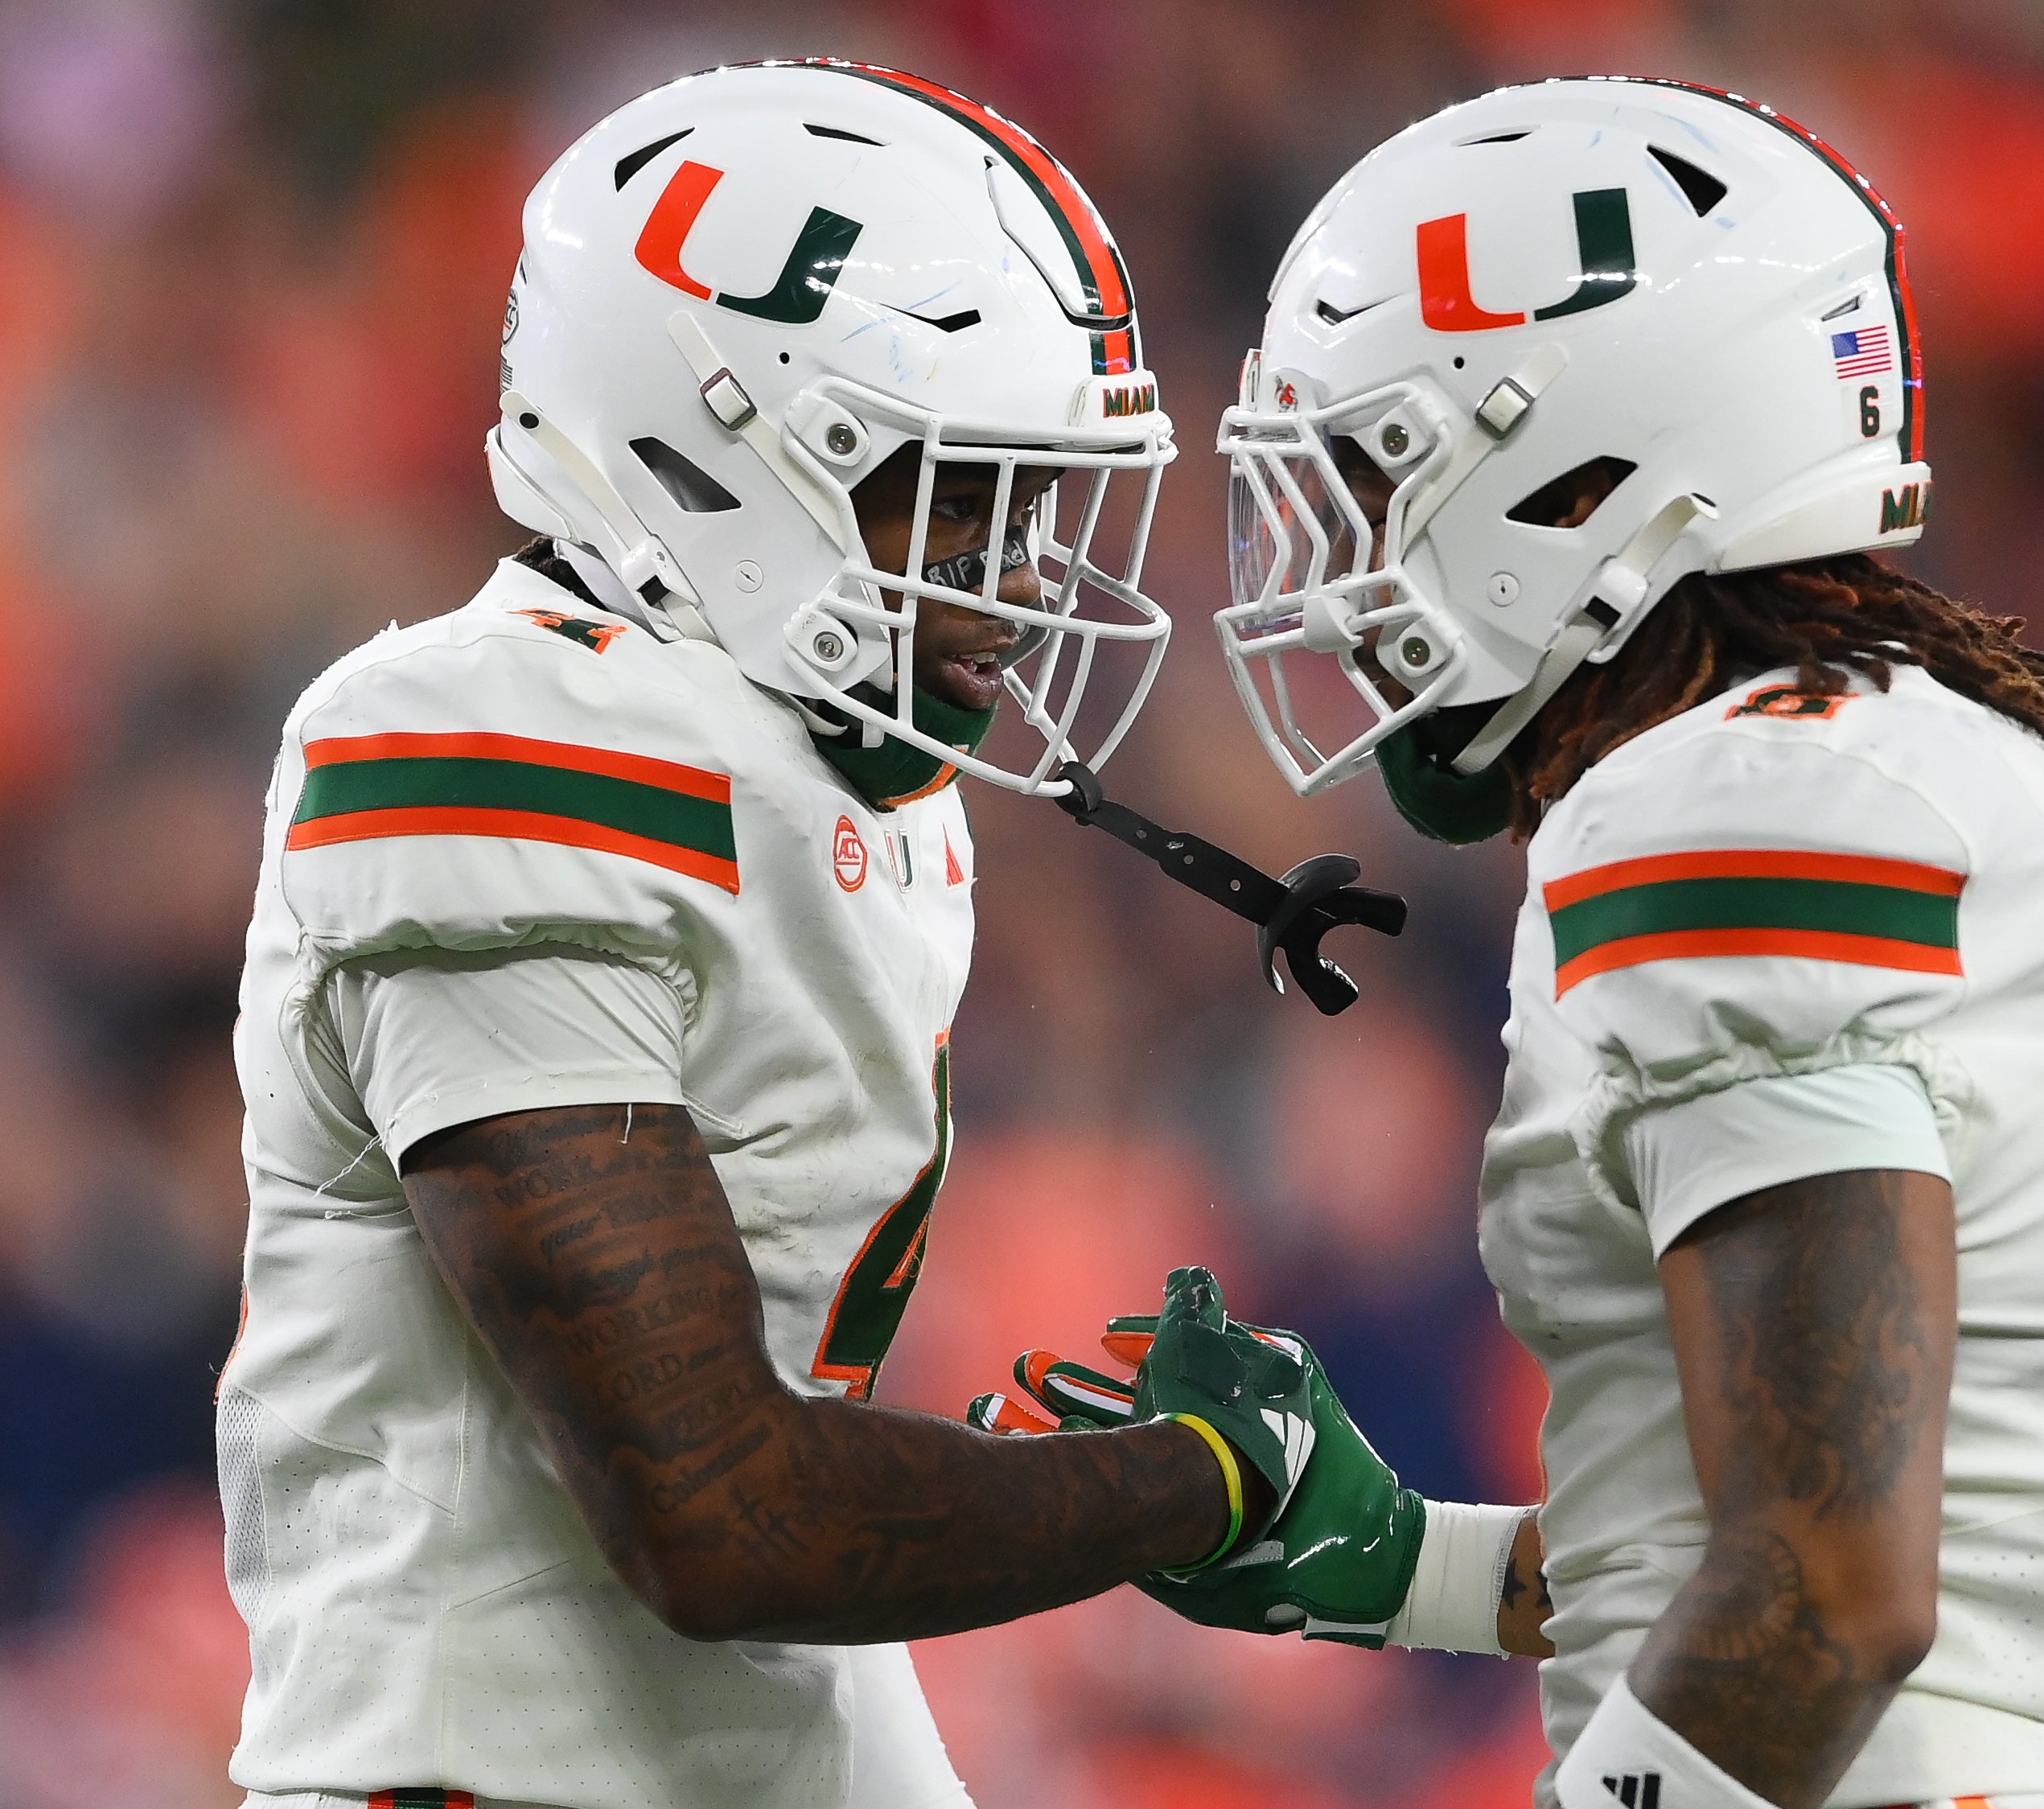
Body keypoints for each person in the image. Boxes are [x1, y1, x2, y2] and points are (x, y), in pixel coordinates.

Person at [982, 77, 2044, 1809]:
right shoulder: (1964, 744)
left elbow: (1829, 1596)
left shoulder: (1728, 796)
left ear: (1579, 481)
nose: (1331, 578)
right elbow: (1815, 1518)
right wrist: (1407, 1561)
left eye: (1375, 480)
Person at [216, 60, 1335, 1809]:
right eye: (963, 498)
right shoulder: (487, 744)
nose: (1024, 577)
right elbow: (716, 1514)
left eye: (1037, 506)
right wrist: (1198, 1476)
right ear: (718, 449)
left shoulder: (822, 781)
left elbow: (780, 1553)